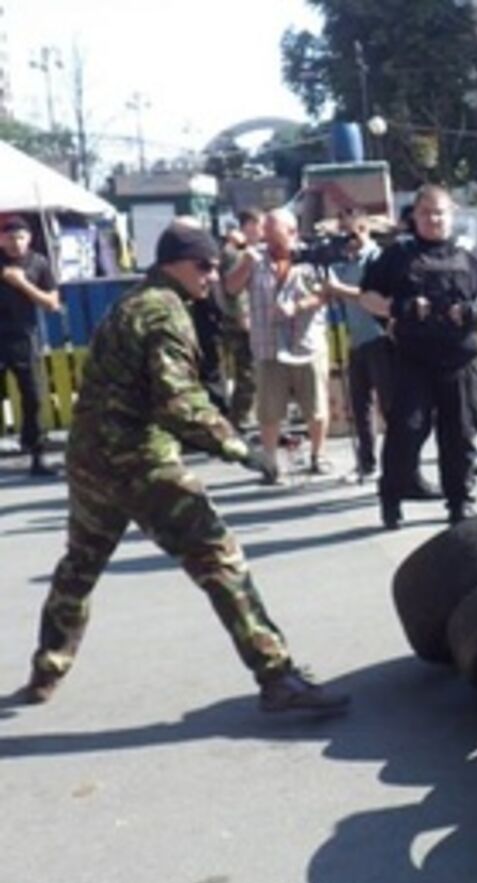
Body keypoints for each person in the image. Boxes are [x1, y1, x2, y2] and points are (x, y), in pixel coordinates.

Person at [21, 223, 348, 713]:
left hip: (91, 459)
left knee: (79, 567)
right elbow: (178, 400)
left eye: (215, 265)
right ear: (174, 262)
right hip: (140, 459)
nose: (211, 275)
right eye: (203, 266)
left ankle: (47, 669)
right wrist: (240, 449)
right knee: (220, 560)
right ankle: (277, 676)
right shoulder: (164, 312)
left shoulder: (133, 303)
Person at [360, 184, 477, 529]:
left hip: (461, 360)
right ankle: (392, 497)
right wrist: (399, 307)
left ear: (452, 214)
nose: (434, 220)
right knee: (406, 432)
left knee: (460, 434)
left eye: (440, 213)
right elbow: (366, 296)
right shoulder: (398, 253)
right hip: (414, 359)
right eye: (426, 213)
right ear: (415, 216)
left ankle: (460, 502)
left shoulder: (470, 252)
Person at [225, 209, 333, 483]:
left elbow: (325, 294)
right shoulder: (256, 258)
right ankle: (271, 462)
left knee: (315, 405)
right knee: (269, 409)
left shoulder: (309, 258)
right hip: (268, 345)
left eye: (276, 236)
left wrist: (296, 307)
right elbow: (231, 289)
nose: (270, 243)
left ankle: (318, 455)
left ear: (292, 233)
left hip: (305, 343)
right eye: (267, 235)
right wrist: (245, 263)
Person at [327, 211, 393, 477]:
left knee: (388, 404)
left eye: (352, 234)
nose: (348, 240)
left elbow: (373, 296)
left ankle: (398, 461)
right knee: (359, 405)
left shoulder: (378, 259)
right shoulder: (345, 263)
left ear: (365, 229)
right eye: (343, 234)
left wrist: (340, 290)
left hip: (380, 338)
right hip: (356, 341)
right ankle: (367, 462)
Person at [0, 214, 60, 476]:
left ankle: (37, 453)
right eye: (10, 237)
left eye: (20, 237)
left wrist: (22, 283)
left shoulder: (39, 263)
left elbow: (51, 303)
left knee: (33, 396)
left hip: (24, 335)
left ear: (30, 239)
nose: (15, 243)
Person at [216, 209, 262, 428]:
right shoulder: (234, 252)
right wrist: (244, 317)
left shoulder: (240, 250)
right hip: (236, 322)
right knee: (248, 372)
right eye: (259, 225)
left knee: (246, 372)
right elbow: (235, 289)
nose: (261, 232)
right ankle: (240, 419)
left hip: (235, 319)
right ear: (249, 225)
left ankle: (241, 417)